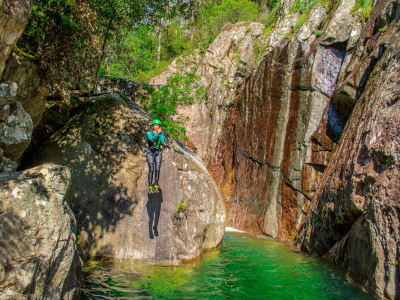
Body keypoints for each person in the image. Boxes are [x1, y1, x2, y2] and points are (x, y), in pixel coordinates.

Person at [146, 119, 165, 193]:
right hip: (150, 152)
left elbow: (163, 142)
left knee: (157, 169)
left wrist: (160, 134)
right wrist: (157, 134)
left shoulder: (161, 134)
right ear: (153, 126)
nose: (157, 126)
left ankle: (156, 185)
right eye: (155, 125)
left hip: (158, 152)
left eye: (158, 125)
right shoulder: (149, 133)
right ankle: (150, 186)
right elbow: (152, 140)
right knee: (151, 169)